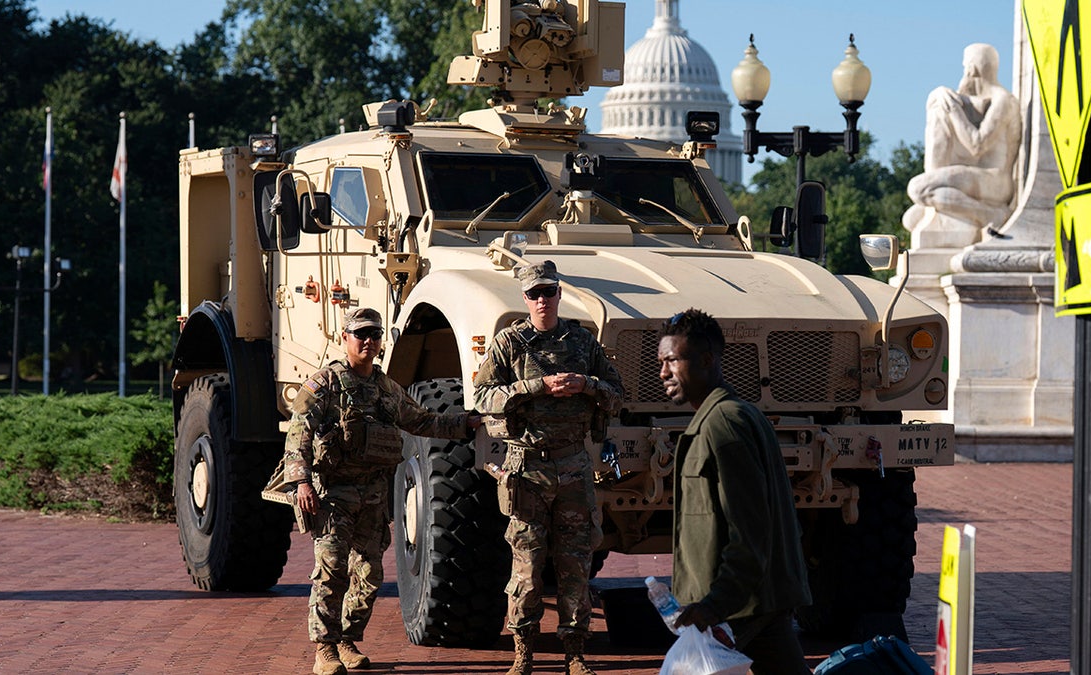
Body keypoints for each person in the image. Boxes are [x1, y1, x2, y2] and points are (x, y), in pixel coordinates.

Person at [271, 307, 479, 675]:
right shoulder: (325, 385)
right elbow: (298, 434)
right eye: (360, 334)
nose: (368, 341)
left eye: (374, 335)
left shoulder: (386, 388)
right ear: (345, 338)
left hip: (373, 496)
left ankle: (348, 640)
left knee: (369, 574)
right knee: (331, 572)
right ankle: (325, 649)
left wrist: (467, 424)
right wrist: (301, 482)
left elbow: (422, 420)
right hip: (333, 495)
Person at [472, 260, 624, 675]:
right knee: (527, 565)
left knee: (576, 564)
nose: (543, 299)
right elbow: (483, 397)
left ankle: (575, 653)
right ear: (525, 298)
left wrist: (587, 385)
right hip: (527, 468)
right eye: (535, 293)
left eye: (549, 292)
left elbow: (618, 394)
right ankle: (524, 652)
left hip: (574, 465)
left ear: (559, 294)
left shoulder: (583, 342)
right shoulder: (509, 344)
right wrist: (536, 386)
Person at [656, 308, 812, 675]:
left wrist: (714, 605)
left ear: (708, 360)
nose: (663, 373)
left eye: (673, 360)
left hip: (739, 606)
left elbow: (750, 527)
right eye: (660, 362)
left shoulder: (723, 424)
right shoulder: (726, 416)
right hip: (753, 601)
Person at [904, 43, 1020, 240]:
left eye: (965, 66)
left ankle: (992, 215)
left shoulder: (1003, 100)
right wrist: (938, 95)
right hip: (979, 179)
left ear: (972, 68)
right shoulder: (987, 98)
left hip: (995, 181)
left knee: (918, 188)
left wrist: (953, 110)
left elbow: (977, 145)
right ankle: (982, 212)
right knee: (910, 218)